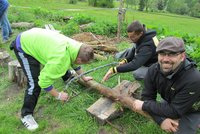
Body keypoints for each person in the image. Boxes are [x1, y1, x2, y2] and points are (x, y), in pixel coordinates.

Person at [10, 28, 94, 131]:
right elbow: (43, 82)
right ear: (79, 59)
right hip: (23, 45)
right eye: (82, 63)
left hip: (36, 39)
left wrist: (83, 77)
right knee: (34, 83)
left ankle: (67, 76)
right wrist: (58, 95)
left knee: (61, 63)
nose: (80, 64)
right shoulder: (60, 60)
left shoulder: (76, 47)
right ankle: (26, 115)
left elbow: (73, 60)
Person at [132, 37, 200, 134]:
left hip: (192, 109)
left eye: (172, 54)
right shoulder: (153, 70)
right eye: (162, 54)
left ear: (182, 56)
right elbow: (147, 97)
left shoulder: (193, 79)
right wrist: (161, 120)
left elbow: (175, 111)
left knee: (178, 131)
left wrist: (144, 105)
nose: (166, 59)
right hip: (171, 101)